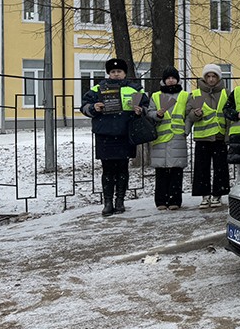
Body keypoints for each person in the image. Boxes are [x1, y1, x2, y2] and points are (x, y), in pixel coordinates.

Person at [80, 57, 152, 216]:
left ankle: (120, 201)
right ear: (108, 74)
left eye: (119, 71)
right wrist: (94, 107)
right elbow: (84, 106)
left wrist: (140, 110)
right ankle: (107, 203)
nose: (116, 74)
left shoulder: (135, 89)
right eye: (113, 72)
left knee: (122, 169)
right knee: (107, 170)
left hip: (125, 134)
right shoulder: (98, 89)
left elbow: (147, 106)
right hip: (105, 134)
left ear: (125, 73)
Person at [187, 64, 230, 208]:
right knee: (201, 168)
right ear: (204, 78)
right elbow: (189, 115)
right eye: (208, 76)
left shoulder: (226, 93)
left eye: (214, 76)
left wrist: (228, 135)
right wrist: (195, 114)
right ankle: (204, 196)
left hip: (219, 136)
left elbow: (229, 114)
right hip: (203, 137)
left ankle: (218, 194)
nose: (211, 79)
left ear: (218, 78)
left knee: (220, 167)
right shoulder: (195, 94)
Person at [149, 66, 189, 210]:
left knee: (176, 171)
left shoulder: (185, 95)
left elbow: (189, 114)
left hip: (178, 138)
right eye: (168, 78)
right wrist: (157, 115)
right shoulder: (155, 96)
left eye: (173, 78)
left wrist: (186, 129)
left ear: (177, 80)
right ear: (163, 81)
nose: (171, 81)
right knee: (161, 171)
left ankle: (175, 200)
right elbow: (149, 113)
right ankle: (160, 201)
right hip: (161, 138)